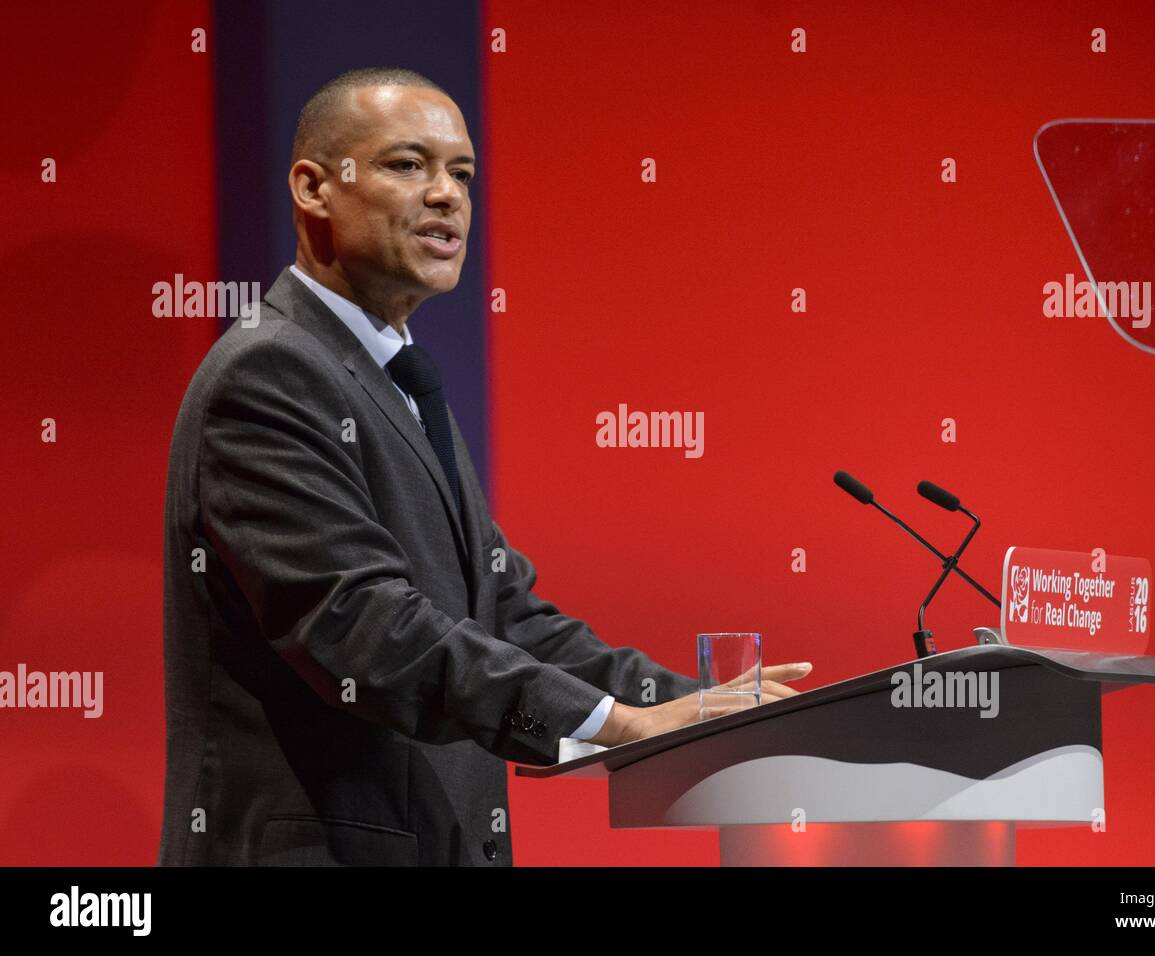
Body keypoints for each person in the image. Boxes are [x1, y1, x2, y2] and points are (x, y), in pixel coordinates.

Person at [158, 67, 812, 866]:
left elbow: (503, 613)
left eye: (462, 174)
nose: (448, 196)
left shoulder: (396, 378)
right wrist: (615, 724)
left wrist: (688, 706)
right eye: (408, 165)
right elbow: (362, 629)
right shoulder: (268, 375)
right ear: (314, 188)